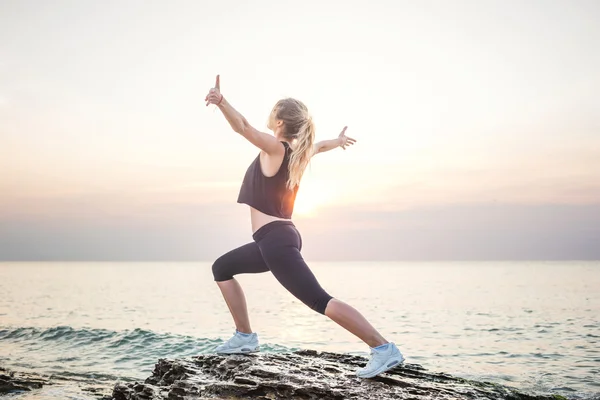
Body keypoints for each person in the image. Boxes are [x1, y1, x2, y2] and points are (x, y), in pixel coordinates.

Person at [204, 75, 404, 378]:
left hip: (276, 241)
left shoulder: (277, 148)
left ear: (280, 122)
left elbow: (243, 127)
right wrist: (336, 142)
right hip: (272, 240)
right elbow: (319, 146)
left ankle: (383, 349)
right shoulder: (298, 151)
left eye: (273, 111)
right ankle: (244, 338)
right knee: (222, 268)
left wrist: (222, 103)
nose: (269, 115)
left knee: (318, 300)